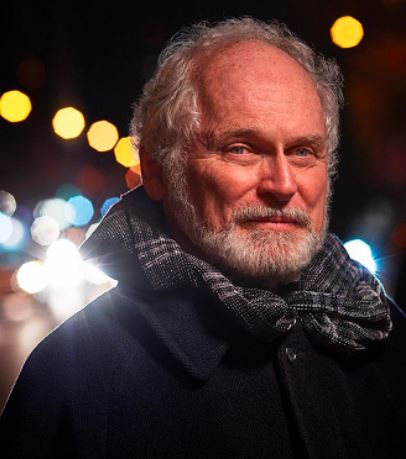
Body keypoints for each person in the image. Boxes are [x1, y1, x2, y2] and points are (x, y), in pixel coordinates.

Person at [1, 17, 405, 458]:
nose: (283, 184)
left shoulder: (381, 330)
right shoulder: (72, 379)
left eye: (303, 151)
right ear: (157, 169)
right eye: (241, 149)